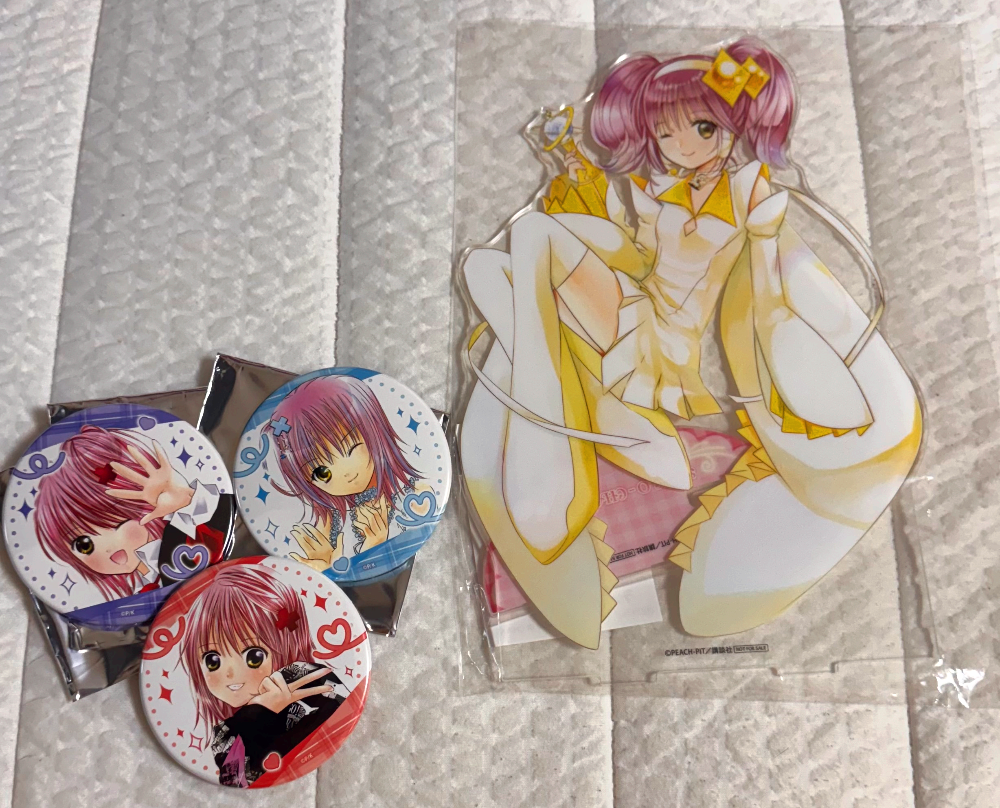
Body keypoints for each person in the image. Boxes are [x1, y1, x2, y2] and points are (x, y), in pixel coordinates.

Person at [461, 38, 921, 647]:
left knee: (530, 247)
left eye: (703, 128)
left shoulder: (751, 195)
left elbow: (764, 291)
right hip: (637, 306)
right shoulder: (659, 188)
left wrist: (784, 370)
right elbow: (636, 256)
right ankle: (573, 407)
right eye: (666, 132)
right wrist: (574, 172)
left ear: (735, 127)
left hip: (666, 345)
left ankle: (556, 435)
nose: (682, 146)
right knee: (490, 264)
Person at [179, 564, 348, 788]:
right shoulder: (227, 733)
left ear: (288, 645)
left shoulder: (315, 683)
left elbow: (340, 721)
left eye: (254, 656)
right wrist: (257, 715)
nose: (229, 673)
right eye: (213, 660)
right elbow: (234, 779)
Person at [34, 425, 228, 601]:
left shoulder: (181, 537)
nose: (109, 547)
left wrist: (184, 499)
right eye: (84, 545)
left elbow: (215, 516)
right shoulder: (135, 592)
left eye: (119, 522)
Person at [262, 375, 427, 571]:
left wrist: (378, 542)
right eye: (322, 472)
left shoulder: (415, 496)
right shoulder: (331, 523)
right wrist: (323, 566)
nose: (346, 473)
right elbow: (343, 578)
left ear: (374, 431)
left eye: (352, 448)